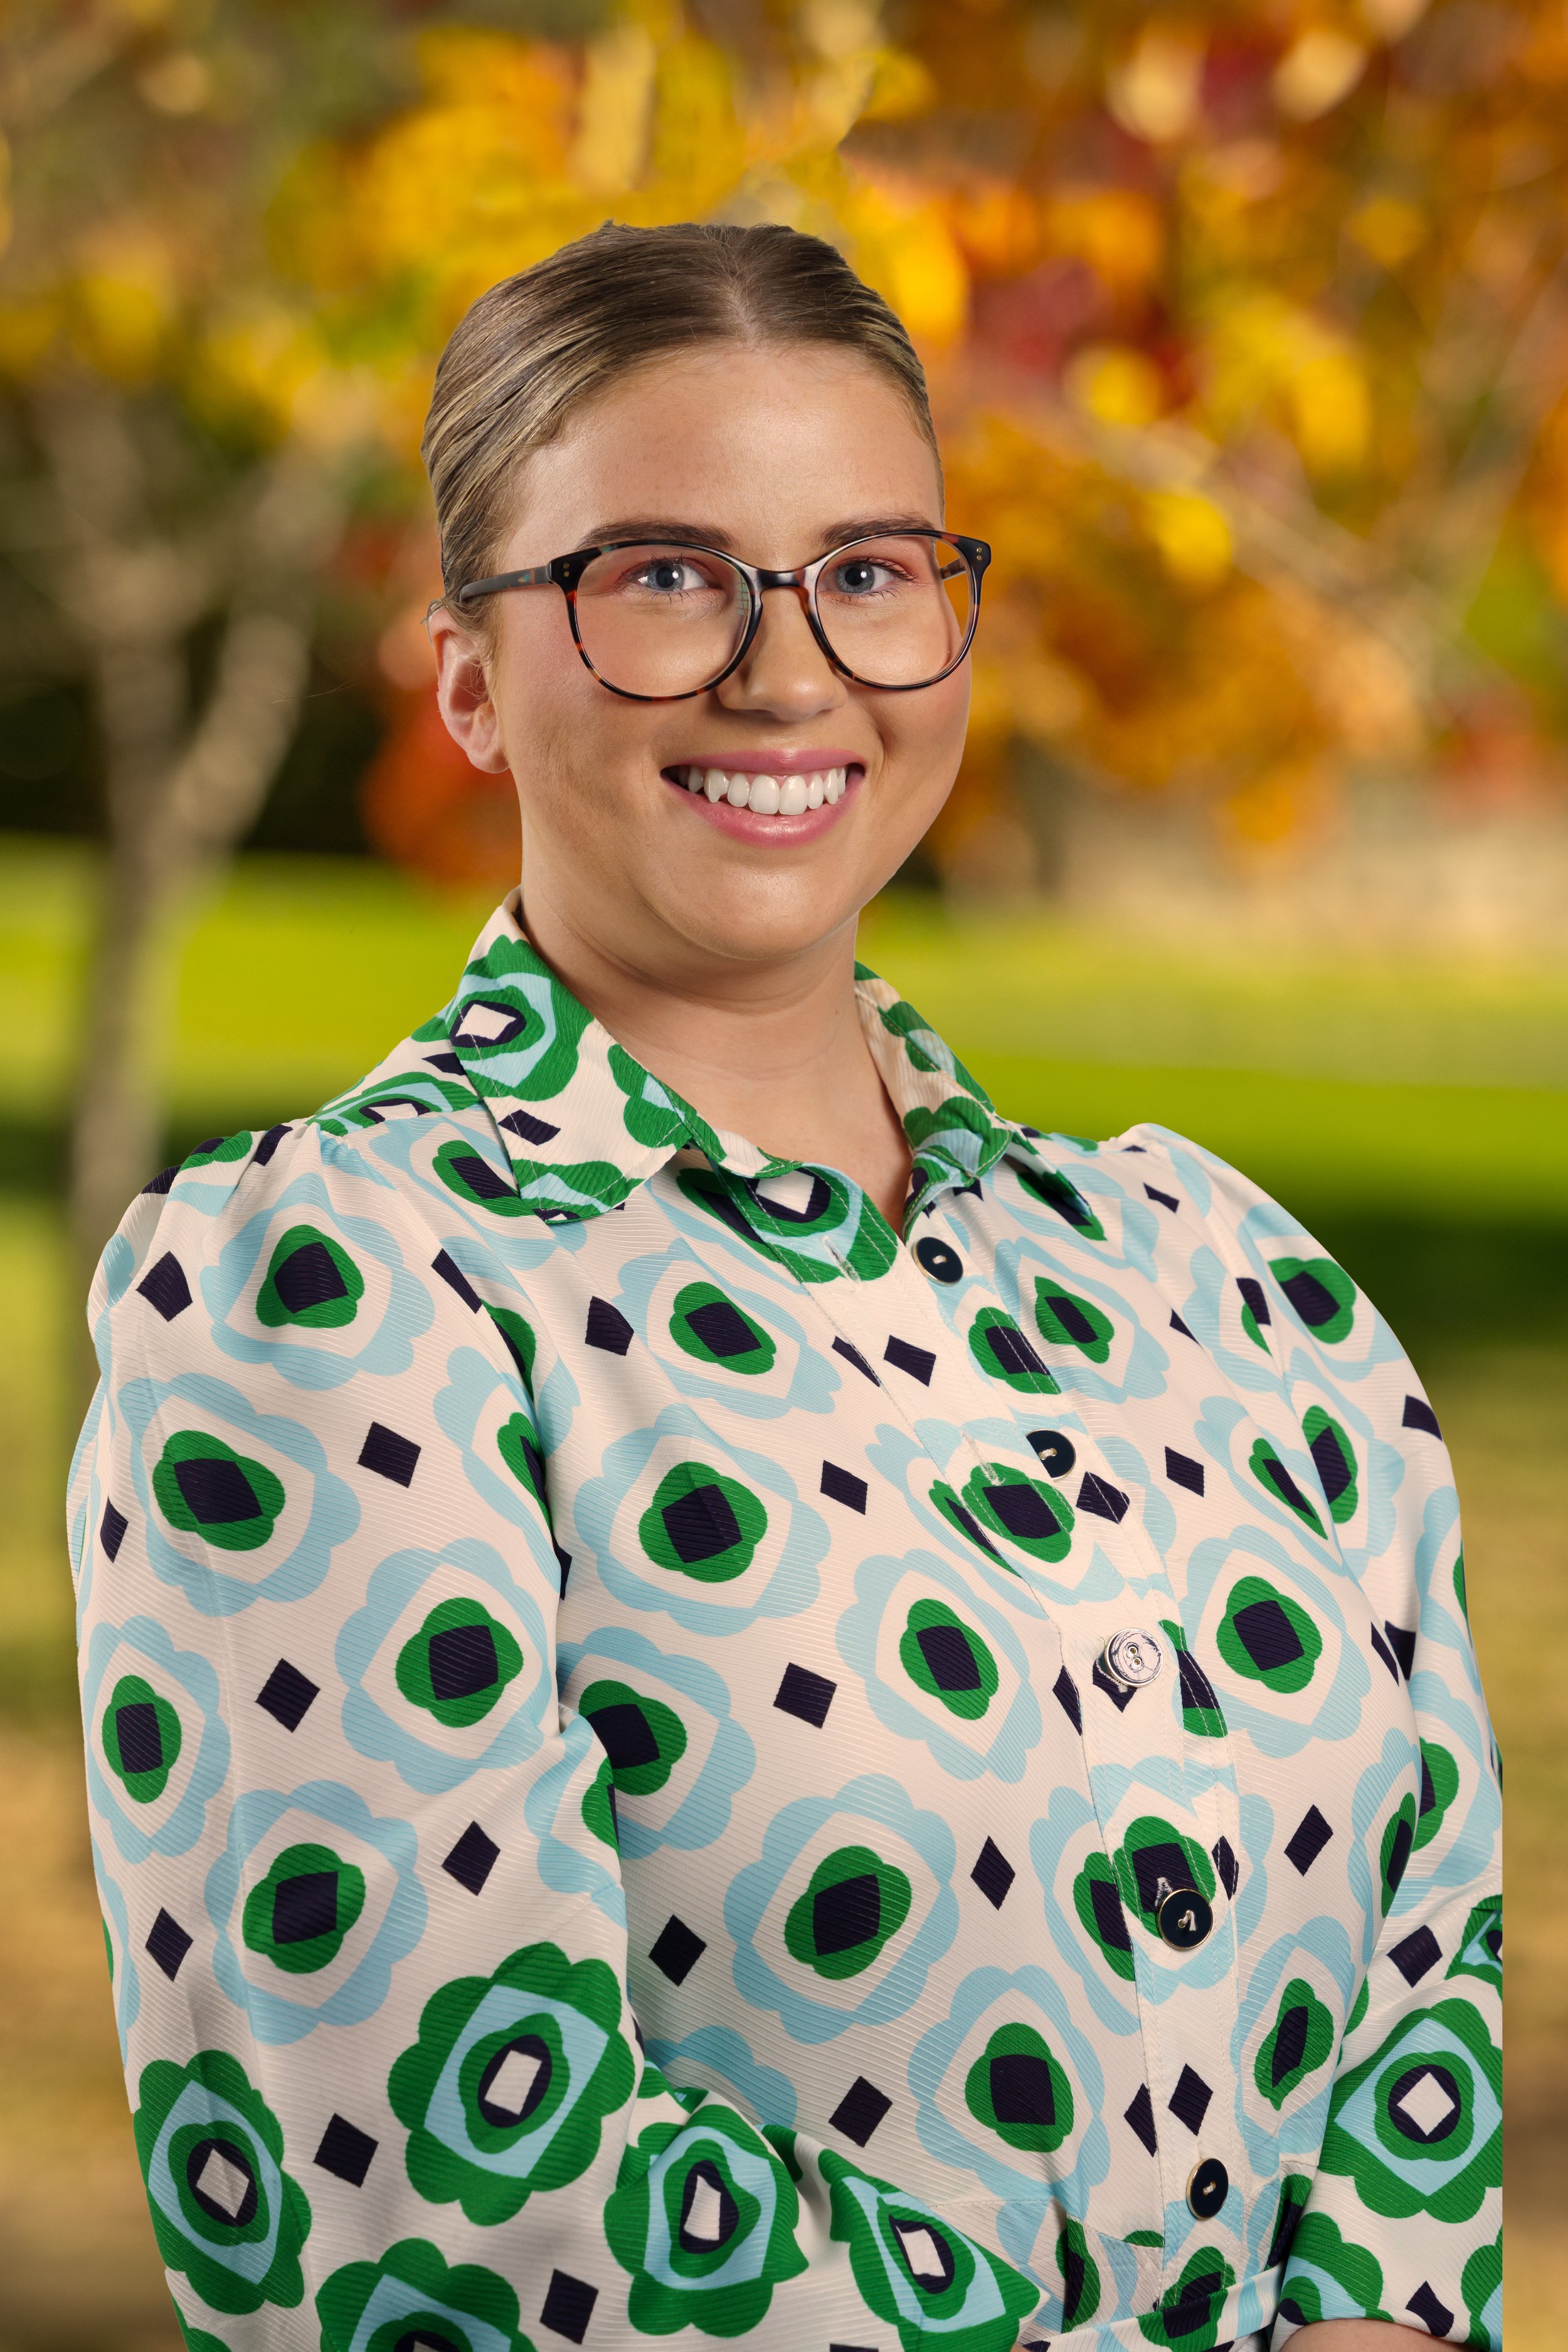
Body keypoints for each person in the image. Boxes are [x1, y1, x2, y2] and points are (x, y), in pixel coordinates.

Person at [70, 222, 1500, 2352]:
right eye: (663, 575)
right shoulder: (337, 1299)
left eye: (867, 571)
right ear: (464, 679)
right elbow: (444, 2212)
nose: (785, 669)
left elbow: (1425, 1978)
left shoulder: (1228, 1284)